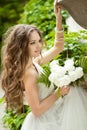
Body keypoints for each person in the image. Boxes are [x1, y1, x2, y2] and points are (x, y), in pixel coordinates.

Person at [1, 0, 70, 129]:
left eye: (39, 41)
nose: (38, 46)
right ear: (22, 46)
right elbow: (36, 110)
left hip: (54, 114)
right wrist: (58, 93)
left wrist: (58, 18)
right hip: (44, 123)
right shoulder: (29, 73)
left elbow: (58, 47)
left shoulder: (35, 62)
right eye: (32, 43)